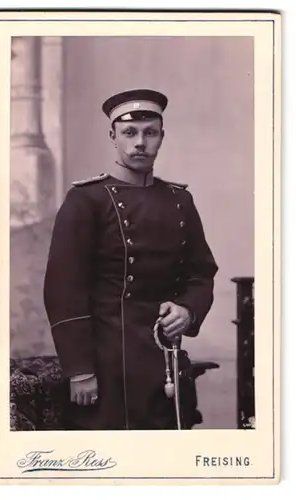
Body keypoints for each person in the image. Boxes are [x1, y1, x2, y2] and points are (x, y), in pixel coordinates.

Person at [43, 88, 218, 430]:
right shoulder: (86, 200)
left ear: (161, 137)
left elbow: (201, 274)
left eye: (150, 133)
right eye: (129, 133)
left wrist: (188, 309)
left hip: (163, 359)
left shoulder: (180, 201)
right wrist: (80, 370)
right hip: (107, 365)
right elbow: (63, 289)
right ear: (114, 137)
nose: (140, 142)